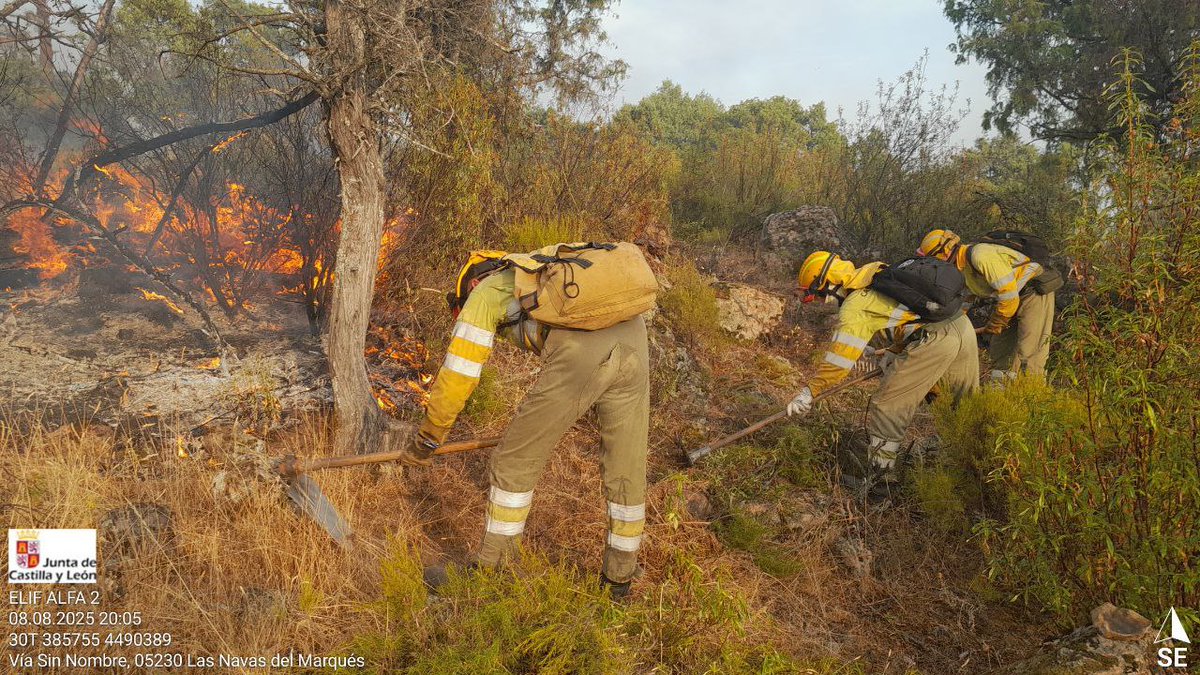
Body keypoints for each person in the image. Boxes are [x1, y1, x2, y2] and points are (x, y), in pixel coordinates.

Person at [402, 250, 650, 598]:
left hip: (583, 354)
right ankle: (618, 582)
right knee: (627, 464)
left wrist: (429, 438)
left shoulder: (485, 294)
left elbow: (458, 375)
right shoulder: (539, 269)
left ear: (470, 284)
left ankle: (492, 571)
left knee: (513, 461)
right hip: (635, 339)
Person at [788, 251, 979, 501]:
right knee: (965, 409)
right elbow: (908, 311)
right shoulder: (872, 270)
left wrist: (809, 392)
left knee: (887, 405)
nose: (822, 302)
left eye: (819, 295)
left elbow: (838, 364)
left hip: (936, 340)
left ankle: (880, 489)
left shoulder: (854, 307)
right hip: (961, 326)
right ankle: (977, 476)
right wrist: (895, 349)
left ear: (829, 285)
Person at [916, 229, 1054, 382]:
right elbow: (965, 300)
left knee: (1030, 350)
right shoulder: (961, 268)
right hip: (1009, 300)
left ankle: (1032, 394)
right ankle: (999, 395)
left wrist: (996, 323)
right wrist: (950, 327)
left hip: (1033, 292)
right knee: (1001, 351)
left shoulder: (981, 256)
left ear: (944, 253)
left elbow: (1009, 296)